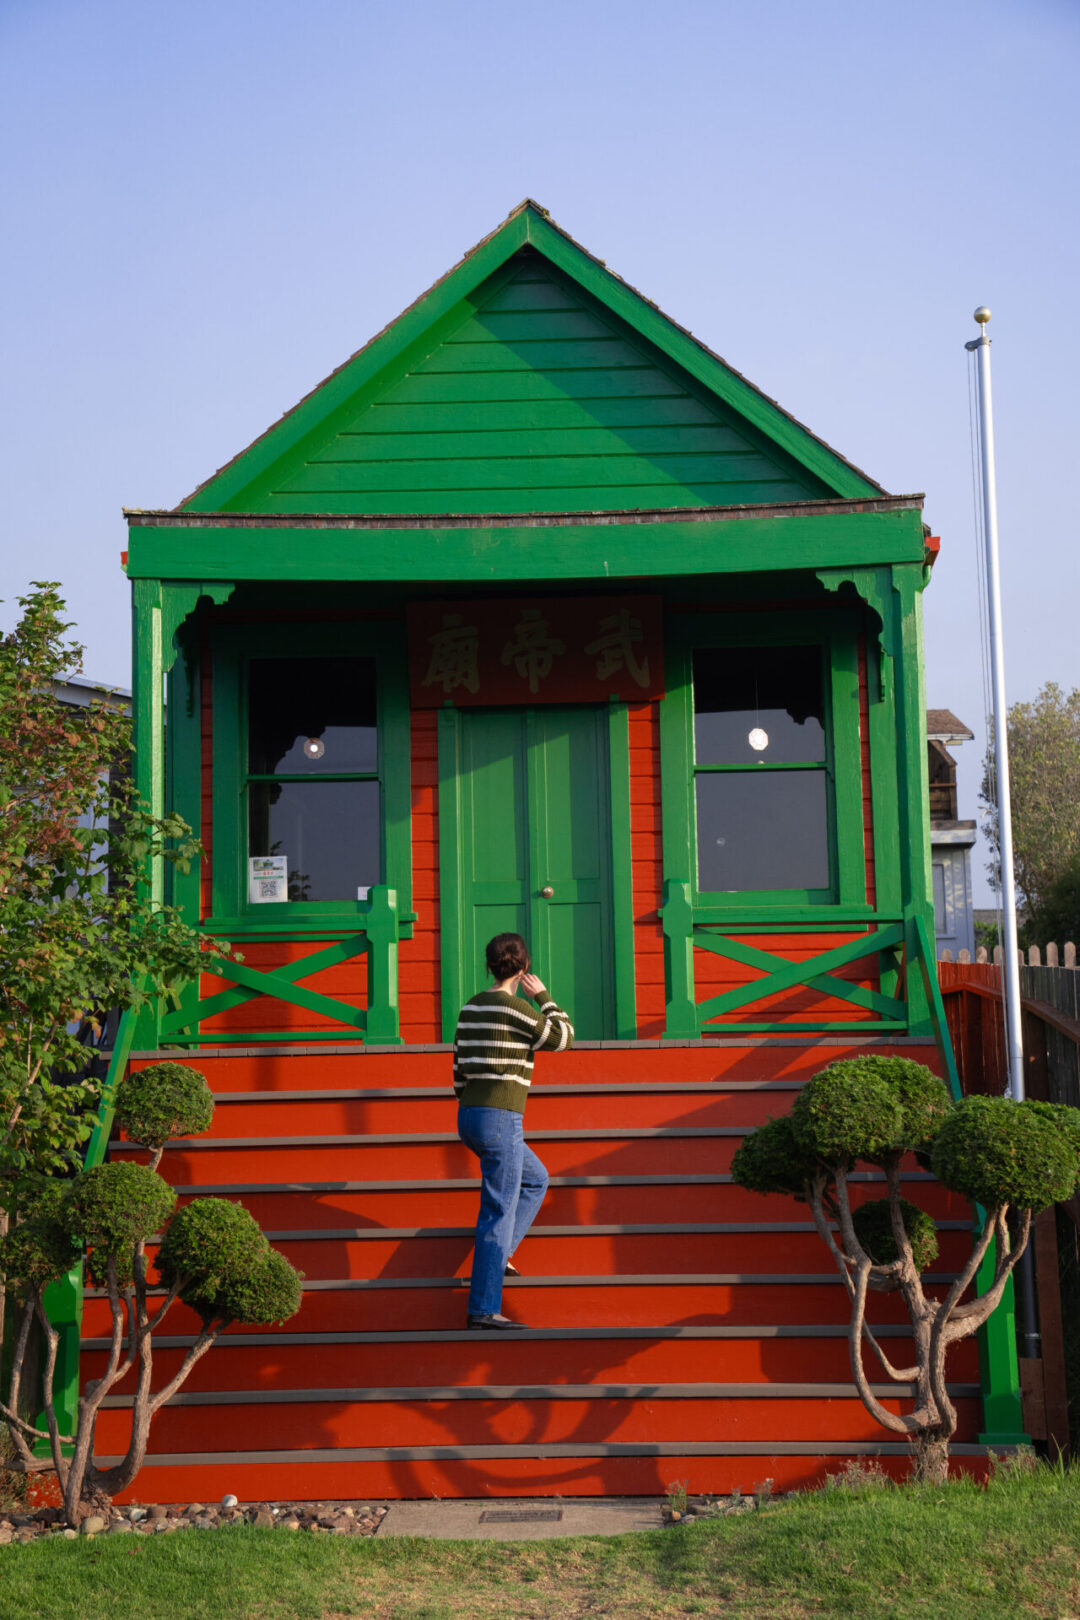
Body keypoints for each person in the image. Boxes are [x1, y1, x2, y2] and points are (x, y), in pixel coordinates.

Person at [453, 932, 574, 1330]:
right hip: (500, 1116)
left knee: (536, 1179)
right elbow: (563, 1039)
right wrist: (544, 996)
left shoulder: (471, 1006)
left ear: (489, 964)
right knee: (497, 1212)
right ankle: (484, 1309)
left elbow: (458, 1066)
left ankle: (500, 1255)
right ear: (523, 968)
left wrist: (472, 1101)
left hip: (469, 1114)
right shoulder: (516, 1008)